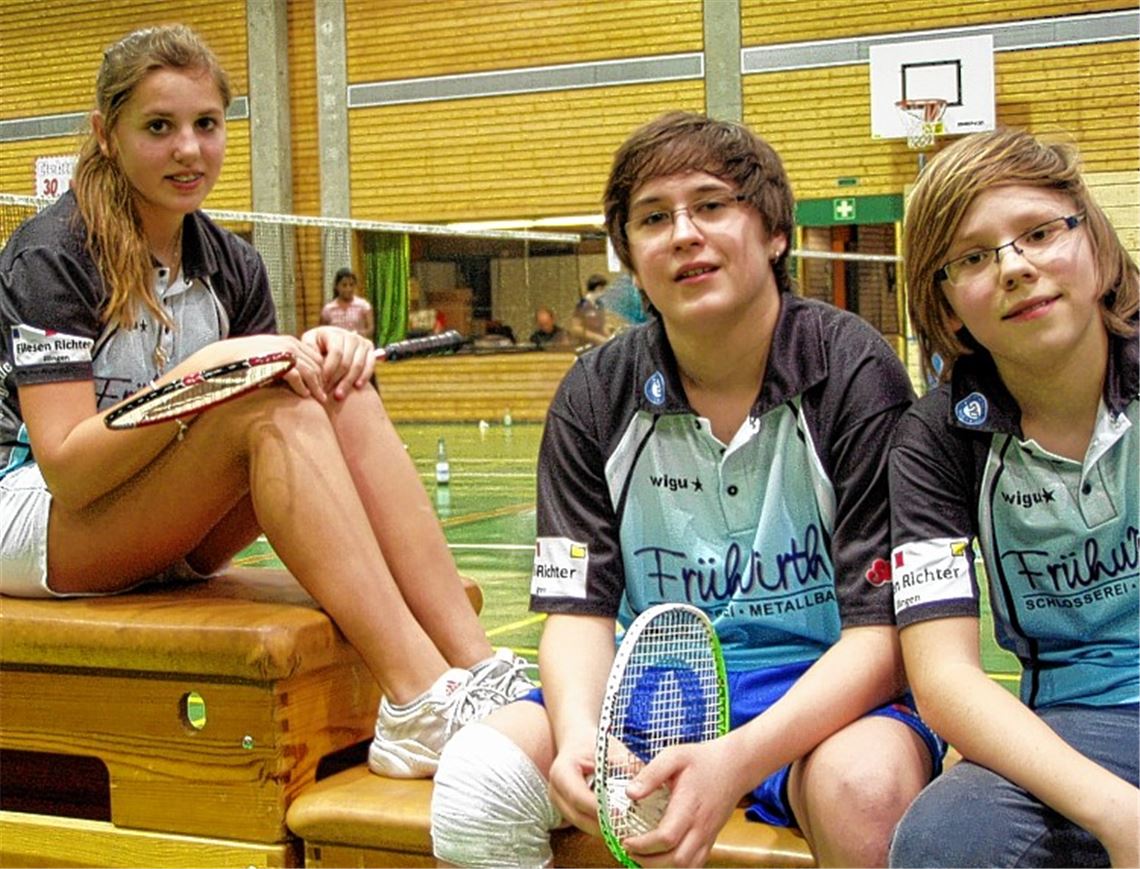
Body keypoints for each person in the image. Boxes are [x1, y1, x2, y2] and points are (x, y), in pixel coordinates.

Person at [0, 24, 532, 780]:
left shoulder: (231, 262)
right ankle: (417, 699)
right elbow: (68, 470)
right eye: (159, 127)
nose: (189, 149)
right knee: (265, 410)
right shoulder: (51, 255)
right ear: (106, 135)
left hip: (155, 519)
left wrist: (319, 353)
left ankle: (474, 666)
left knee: (332, 387)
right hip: (34, 513)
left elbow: (274, 391)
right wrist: (209, 371)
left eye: (206, 125)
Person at [431, 111, 943, 868]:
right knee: (480, 781)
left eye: (711, 205)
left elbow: (881, 636)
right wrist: (579, 734)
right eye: (652, 217)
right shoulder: (595, 394)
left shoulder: (854, 373)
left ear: (773, 232)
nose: (683, 233)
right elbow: (578, 610)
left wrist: (734, 758)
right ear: (632, 259)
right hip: (646, 691)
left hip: (820, 696)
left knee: (865, 790)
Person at [887, 129, 1139, 868]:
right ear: (947, 302)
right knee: (946, 841)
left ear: (1092, 239)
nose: (1015, 268)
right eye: (972, 256)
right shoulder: (933, 439)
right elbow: (944, 675)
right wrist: (1119, 814)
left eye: (1037, 233)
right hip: (1076, 718)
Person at [319, 267, 373, 340]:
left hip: (358, 347)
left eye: (351, 285)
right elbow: (321, 332)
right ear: (337, 286)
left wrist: (359, 334)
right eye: (344, 285)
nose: (348, 289)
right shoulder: (328, 309)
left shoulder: (363, 306)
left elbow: (370, 329)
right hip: (336, 348)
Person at [568, 273, 612, 347]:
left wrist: (610, 339)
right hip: (586, 345)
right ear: (598, 288)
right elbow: (575, 328)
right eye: (603, 289)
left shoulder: (599, 304)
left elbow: (603, 325)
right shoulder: (582, 305)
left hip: (599, 345)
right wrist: (595, 337)